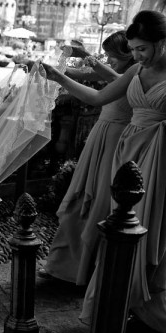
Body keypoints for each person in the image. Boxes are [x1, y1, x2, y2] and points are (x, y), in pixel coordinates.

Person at [42, 10, 166, 333]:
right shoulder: (138, 70)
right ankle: (117, 301)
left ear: (162, 43)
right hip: (127, 153)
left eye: (142, 49)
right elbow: (97, 97)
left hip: (160, 156)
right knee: (118, 226)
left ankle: (148, 309)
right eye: (134, 49)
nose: (137, 55)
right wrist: (58, 77)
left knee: (150, 230)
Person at [41, 31, 135, 285]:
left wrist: (70, 67)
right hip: (101, 138)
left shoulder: (135, 72)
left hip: (117, 143)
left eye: (112, 55)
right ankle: (65, 265)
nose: (108, 59)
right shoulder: (122, 71)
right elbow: (83, 75)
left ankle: (82, 267)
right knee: (81, 198)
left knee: (96, 203)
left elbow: (107, 85)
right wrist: (54, 68)